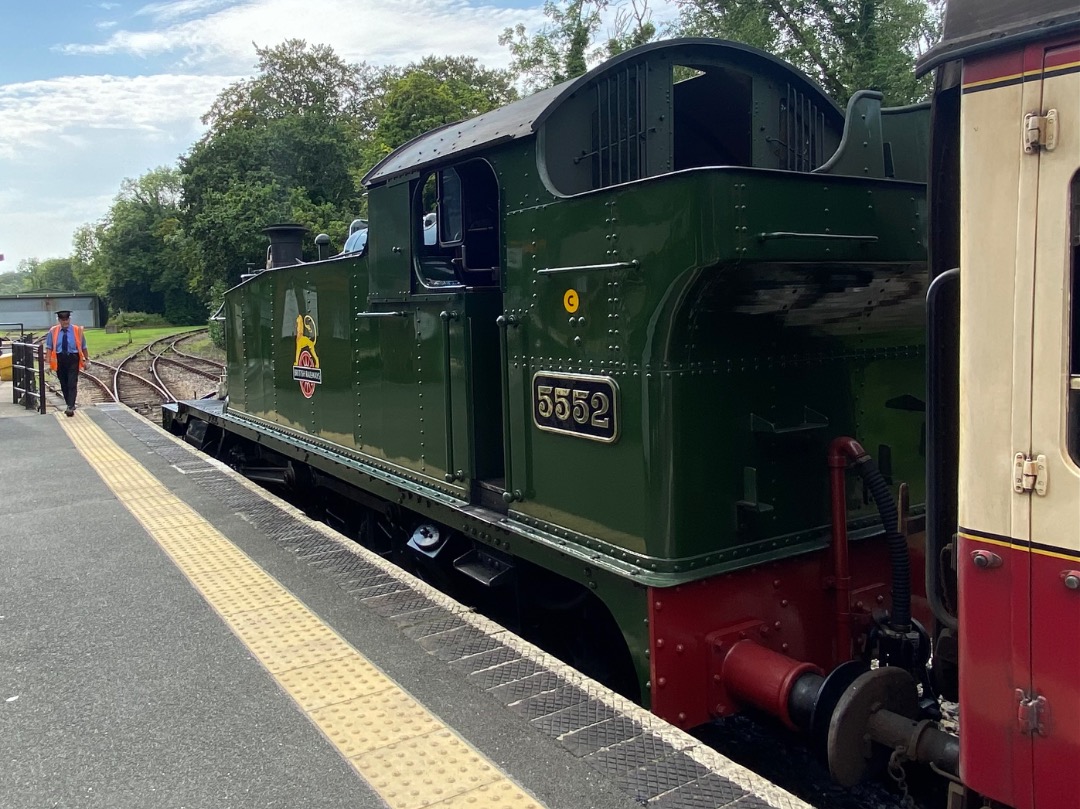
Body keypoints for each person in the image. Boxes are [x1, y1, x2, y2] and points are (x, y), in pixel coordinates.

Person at [44, 310, 89, 416]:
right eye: (63, 320)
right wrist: (47, 363)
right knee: (64, 384)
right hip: (59, 360)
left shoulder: (77, 330)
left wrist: (87, 359)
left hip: (73, 358)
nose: (65, 322)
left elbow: (84, 346)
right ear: (59, 320)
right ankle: (69, 403)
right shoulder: (53, 331)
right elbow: (49, 347)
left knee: (72, 383)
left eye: (67, 319)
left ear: (70, 319)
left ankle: (70, 406)